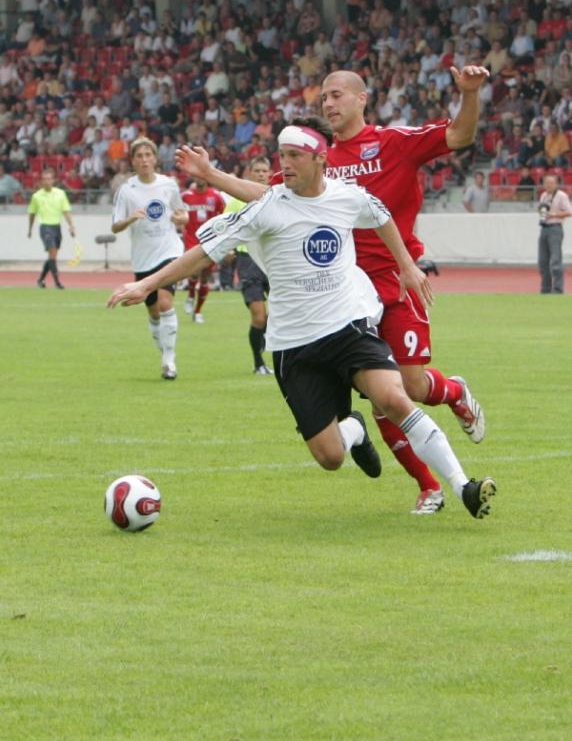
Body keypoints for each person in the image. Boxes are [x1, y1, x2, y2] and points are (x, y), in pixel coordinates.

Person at [109, 118, 496, 520]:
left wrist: (407, 265)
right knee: (330, 457)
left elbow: (381, 215)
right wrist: (146, 284)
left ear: (319, 159)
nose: (285, 163)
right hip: (295, 346)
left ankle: (463, 486)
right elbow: (204, 252)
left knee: (394, 398)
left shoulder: (347, 196)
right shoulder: (266, 209)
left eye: (294, 155)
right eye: (282, 155)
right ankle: (355, 429)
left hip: (349, 328)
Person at [111, 137, 188, 380]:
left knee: (165, 303)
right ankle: (164, 352)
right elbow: (115, 226)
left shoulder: (168, 185)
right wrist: (131, 218)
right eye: (139, 156)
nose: (144, 160)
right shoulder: (127, 190)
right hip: (144, 258)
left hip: (169, 251)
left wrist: (182, 218)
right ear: (133, 161)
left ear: (155, 158)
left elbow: (182, 213)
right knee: (154, 312)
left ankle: (169, 360)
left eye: (148, 155)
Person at [224, 156, 273, 375]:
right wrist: (227, 248)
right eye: (257, 171)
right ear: (249, 173)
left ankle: (269, 345)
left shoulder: (276, 197)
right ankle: (258, 363)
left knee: (281, 314)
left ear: (270, 173)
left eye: (264, 171)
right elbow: (225, 225)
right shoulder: (237, 199)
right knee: (258, 316)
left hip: (272, 259)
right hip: (247, 260)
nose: (261, 174)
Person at [180, 176, 226, 323]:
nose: (200, 179)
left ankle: (198, 311)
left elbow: (224, 217)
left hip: (210, 241)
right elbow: (178, 213)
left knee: (205, 277)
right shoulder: (186, 196)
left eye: (202, 176)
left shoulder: (216, 196)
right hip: (192, 240)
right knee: (194, 272)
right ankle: (191, 295)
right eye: (197, 176)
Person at [27, 168, 75, 289]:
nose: (47, 181)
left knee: (52, 256)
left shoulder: (60, 194)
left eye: (49, 179)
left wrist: (71, 226)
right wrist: (30, 229)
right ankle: (57, 282)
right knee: (52, 252)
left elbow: (66, 211)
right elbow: (32, 214)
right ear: (41, 181)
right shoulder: (36, 196)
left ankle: (40, 280)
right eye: (44, 179)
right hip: (45, 227)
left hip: (56, 227)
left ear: (53, 180)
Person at [537, 174, 572, 294]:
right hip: (544, 228)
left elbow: (569, 212)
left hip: (555, 228)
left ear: (556, 184)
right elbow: (542, 209)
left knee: (555, 261)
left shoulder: (561, 195)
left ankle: (558, 289)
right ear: (543, 184)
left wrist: (554, 214)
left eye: (551, 183)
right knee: (543, 261)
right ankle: (545, 289)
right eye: (547, 183)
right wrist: (542, 213)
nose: (549, 185)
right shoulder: (543, 195)